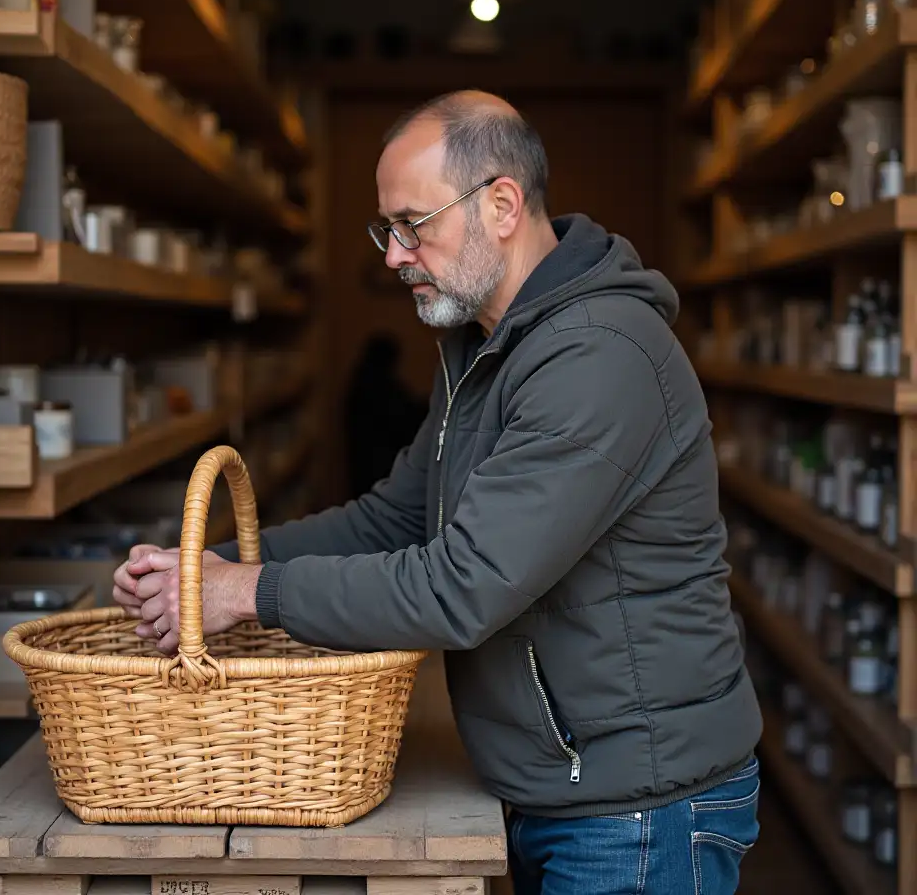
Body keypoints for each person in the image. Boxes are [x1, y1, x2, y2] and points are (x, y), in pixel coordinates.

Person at [114, 90, 763, 895]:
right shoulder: (484, 349)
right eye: (385, 228)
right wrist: (200, 567)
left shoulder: (598, 357)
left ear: (501, 205)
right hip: (562, 782)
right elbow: (397, 518)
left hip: (637, 809)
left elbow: (464, 585)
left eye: (412, 224)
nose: (393, 254)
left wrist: (246, 592)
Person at [345, 333, 427, 497]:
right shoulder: (379, 385)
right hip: (380, 462)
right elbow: (399, 418)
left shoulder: (361, 380)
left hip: (365, 460)